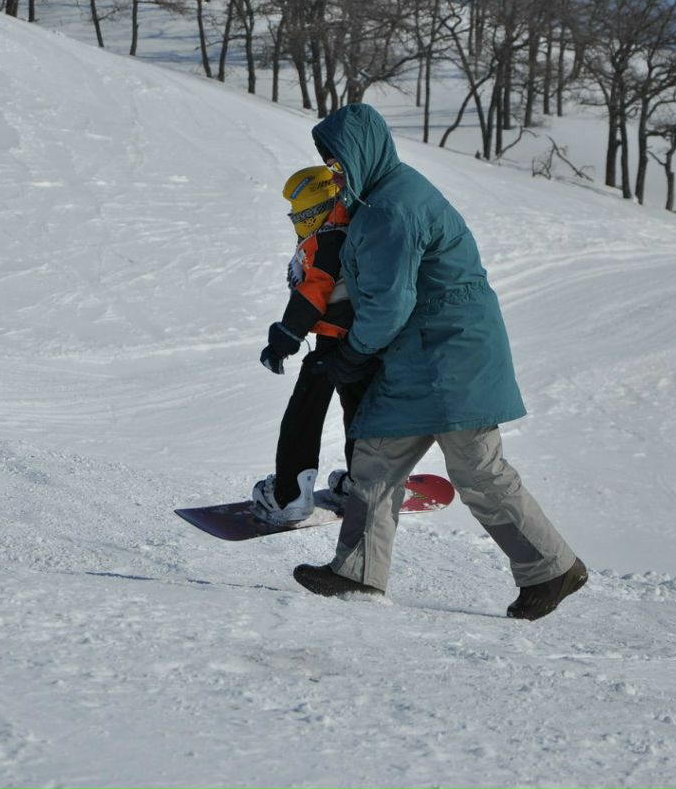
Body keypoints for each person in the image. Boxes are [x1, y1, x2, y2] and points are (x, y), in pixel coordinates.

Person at [293, 103, 587, 621]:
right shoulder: (384, 195)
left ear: (361, 152)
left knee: (477, 467)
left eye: (337, 160)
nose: (334, 172)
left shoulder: (392, 207)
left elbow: (388, 302)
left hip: (451, 352)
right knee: (378, 457)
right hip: (425, 353)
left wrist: (355, 352)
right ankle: (357, 574)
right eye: (329, 163)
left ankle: (552, 569)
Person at [251, 166, 374, 524]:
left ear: (317, 208)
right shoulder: (352, 227)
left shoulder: (329, 238)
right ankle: (361, 483)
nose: (296, 222)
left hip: (333, 343)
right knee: (359, 413)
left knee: (303, 413)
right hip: (362, 343)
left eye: (300, 214)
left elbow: (313, 293)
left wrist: (282, 342)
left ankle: (290, 496)